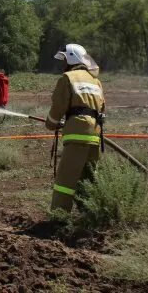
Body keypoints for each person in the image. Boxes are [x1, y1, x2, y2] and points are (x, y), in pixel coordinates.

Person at [45, 43, 106, 213]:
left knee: (65, 181)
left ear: (72, 58)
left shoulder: (68, 78)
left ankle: (59, 216)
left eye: (64, 59)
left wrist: (51, 123)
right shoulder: (95, 81)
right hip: (94, 136)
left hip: (77, 136)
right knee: (87, 178)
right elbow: (102, 109)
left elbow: (58, 107)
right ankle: (90, 213)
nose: (62, 64)